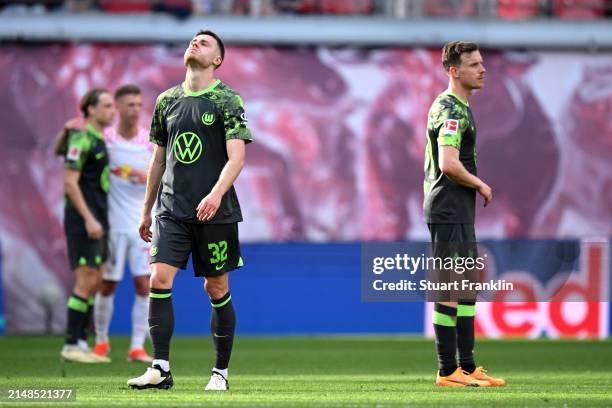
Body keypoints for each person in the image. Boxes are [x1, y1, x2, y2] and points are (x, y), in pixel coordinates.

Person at [127, 29, 252, 391]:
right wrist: (146, 210)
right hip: (171, 209)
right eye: (193, 40)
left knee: (215, 289)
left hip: (215, 211)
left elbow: (237, 157)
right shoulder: (167, 100)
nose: (195, 43)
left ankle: (220, 374)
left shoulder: (227, 99)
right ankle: (160, 367)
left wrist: (214, 195)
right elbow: (159, 159)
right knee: (159, 280)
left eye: (206, 42)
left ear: (217, 60)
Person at [422, 41, 505, 387]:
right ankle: (447, 371)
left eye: (481, 63)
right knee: (450, 287)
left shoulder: (459, 106)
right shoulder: (450, 110)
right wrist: (481, 184)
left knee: (466, 286)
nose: (482, 69)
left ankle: (467, 367)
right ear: (454, 71)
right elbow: (448, 163)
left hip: (457, 210)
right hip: (447, 208)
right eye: (473, 64)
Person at [93, 84, 154, 363]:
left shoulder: (149, 142)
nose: (135, 110)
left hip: (140, 226)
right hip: (112, 225)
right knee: (108, 285)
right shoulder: (104, 139)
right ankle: (101, 341)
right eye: (130, 104)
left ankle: (136, 346)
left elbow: (165, 176)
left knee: (144, 285)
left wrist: (148, 178)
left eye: (139, 105)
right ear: (116, 107)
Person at [56, 88, 114, 363]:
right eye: (106, 105)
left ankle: (81, 341)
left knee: (97, 279)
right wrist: (89, 218)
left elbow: (61, 150)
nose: (111, 110)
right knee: (86, 279)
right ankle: (71, 344)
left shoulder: (96, 138)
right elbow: (69, 181)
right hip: (83, 218)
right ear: (90, 109)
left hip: (100, 217)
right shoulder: (81, 136)